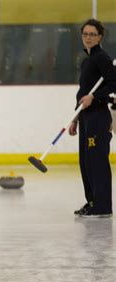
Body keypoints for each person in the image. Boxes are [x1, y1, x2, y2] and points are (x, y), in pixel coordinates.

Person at [70, 19, 116, 218]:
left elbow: (114, 83)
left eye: (92, 34)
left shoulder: (102, 58)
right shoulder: (87, 60)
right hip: (86, 117)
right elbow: (83, 92)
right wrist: (75, 117)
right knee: (86, 162)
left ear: (100, 37)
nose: (88, 37)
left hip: (98, 117)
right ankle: (92, 202)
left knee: (97, 162)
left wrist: (95, 97)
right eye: (85, 34)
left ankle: (103, 206)